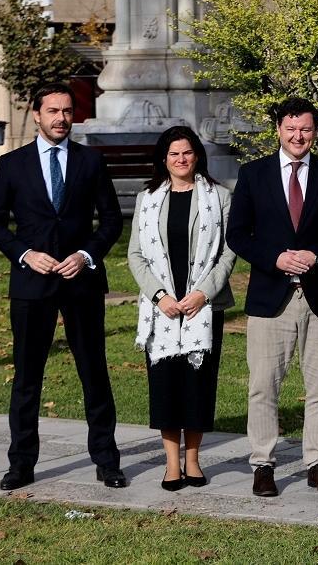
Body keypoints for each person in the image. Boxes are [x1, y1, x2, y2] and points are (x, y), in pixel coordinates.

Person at [0, 82, 126, 490]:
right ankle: (21, 464)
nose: (61, 118)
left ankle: (107, 461)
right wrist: (25, 254)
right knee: (27, 378)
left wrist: (86, 255)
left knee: (94, 373)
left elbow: (111, 220)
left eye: (67, 111)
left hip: (82, 283)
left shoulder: (90, 161)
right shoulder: (13, 164)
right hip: (32, 284)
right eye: (53, 111)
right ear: (36, 114)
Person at [227, 97, 318, 497]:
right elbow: (238, 235)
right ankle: (263, 465)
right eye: (291, 129)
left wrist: (317, 254)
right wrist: (275, 258)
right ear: (278, 130)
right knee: (264, 386)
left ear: (315, 132)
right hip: (271, 297)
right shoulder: (253, 174)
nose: (298, 136)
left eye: (305, 129)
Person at [127, 126, 236, 491]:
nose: (181, 159)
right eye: (174, 154)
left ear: (197, 155)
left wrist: (203, 293)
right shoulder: (147, 199)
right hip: (162, 308)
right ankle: (171, 464)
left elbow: (228, 253)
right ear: (164, 159)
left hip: (202, 307)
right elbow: (135, 254)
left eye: (187, 152)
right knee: (165, 388)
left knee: (197, 386)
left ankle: (193, 461)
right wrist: (160, 296)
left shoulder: (220, 197)